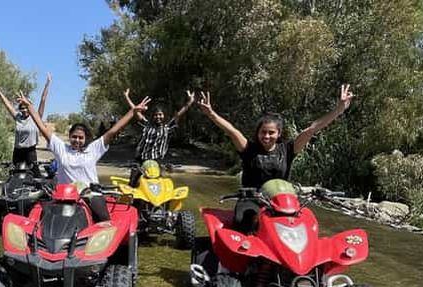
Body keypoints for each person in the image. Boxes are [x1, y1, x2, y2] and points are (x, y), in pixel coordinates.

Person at [197, 84, 355, 231]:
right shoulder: (248, 149)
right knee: (246, 221)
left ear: (278, 133)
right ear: (258, 133)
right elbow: (231, 131)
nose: (266, 136)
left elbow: (311, 129)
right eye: (263, 132)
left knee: (306, 226)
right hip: (251, 202)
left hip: (282, 204)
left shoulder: (288, 150)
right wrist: (211, 114)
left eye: (271, 132)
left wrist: (338, 110)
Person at [17, 91, 150, 221]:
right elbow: (43, 128)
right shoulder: (61, 148)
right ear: (69, 137)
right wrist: (29, 107)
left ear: (86, 139)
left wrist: (133, 112)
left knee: (104, 220)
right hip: (64, 196)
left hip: (89, 194)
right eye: (74, 137)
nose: (77, 140)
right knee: (44, 219)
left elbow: (112, 131)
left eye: (81, 138)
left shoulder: (93, 149)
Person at [125, 89, 195, 186]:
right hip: (140, 160)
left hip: (156, 161)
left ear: (164, 116)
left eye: (160, 114)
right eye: (156, 115)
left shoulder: (167, 128)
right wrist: (127, 97)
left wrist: (190, 102)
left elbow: (179, 114)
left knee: (157, 185)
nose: (158, 117)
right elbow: (135, 111)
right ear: (153, 116)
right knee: (132, 183)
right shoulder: (147, 125)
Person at [0, 73, 52, 171]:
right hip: (18, 151)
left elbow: (43, 100)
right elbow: (6, 104)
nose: (24, 110)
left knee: (34, 175)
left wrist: (47, 84)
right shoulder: (17, 117)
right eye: (22, 108)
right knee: (15, 175)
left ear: (29, 107)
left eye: (26, 108)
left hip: (30, 151)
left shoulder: (35, 117)